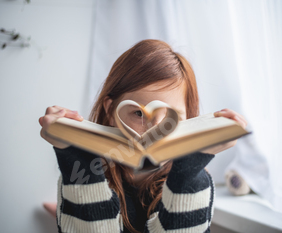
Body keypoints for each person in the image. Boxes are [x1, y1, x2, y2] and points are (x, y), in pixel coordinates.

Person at [39, 39, 247, 233]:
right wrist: (75, 155)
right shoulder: (82, 173)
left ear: (188, 120)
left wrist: (191, 165)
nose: (154, 130)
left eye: (170, 118)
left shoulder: (197, 181)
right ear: (111, 112)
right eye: (139, 113)